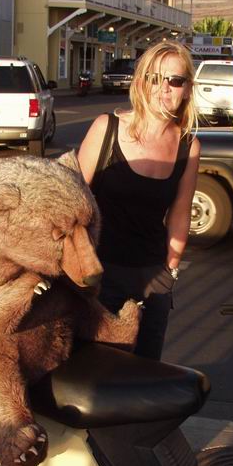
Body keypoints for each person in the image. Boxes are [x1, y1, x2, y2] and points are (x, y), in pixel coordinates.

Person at [77, 41, 201, 360]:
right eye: (154, 78)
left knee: (144, 374)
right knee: (96, 369)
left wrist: (170, 271)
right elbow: (73, 203)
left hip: (152, 279)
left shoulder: (188, 144)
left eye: (175, 80)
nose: (164, 88)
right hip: (98, 275)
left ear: (187, 89)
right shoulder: (106, 129)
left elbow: (180, 213)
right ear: (141, 82)